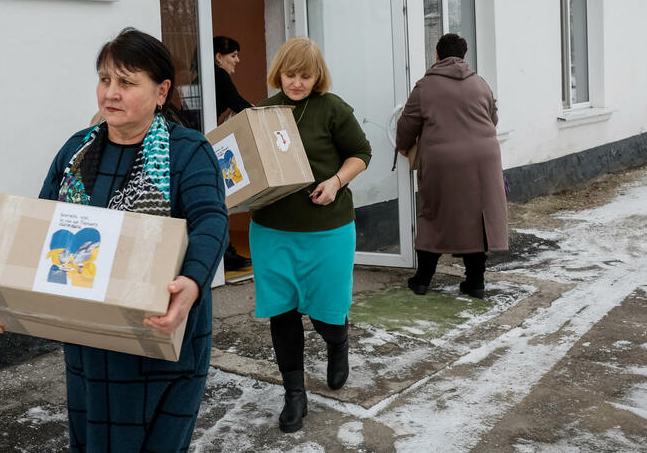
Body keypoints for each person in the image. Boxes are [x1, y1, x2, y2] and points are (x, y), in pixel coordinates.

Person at [0, 28, 228, 452]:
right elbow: (41, 228)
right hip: (92, 338)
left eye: (127, 82)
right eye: (105, 79)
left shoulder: (187, 151)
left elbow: (210, 220)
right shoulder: (77, 151)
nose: (111, 93)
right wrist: (5, 298)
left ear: (161, 90)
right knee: (96, 441)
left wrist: (191, 282)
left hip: (162, 331)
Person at [248, 37, 371, 434]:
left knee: (326, 312)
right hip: (272, 230)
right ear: (278, 73)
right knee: (282, 313)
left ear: (317, 76)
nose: (296, 83)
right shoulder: (262, 114)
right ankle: (294, 394)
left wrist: (336, 181)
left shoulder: (332, 109)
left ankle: (338, 343)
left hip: (327, 229)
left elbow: (361, 153)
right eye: (290, 74)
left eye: (305, 76)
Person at [395, 33, 508, 299]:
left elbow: (406, 126)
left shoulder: (425, 87)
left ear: (437, 55)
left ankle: (422, 281)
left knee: (434, 215)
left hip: (443, 161)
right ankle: (476, 283)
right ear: (463, 56)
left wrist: (403, 145)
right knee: (477, 218)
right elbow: (493, 118)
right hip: (485, 159)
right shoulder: (480, 83)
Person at [213, 35, 254, 272]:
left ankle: (225, 252)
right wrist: (262, 115)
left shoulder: (208, 76)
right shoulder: (218, 75)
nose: (237, 60)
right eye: (233, 55)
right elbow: (236, 102)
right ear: (219, 57)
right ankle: (225, 253)